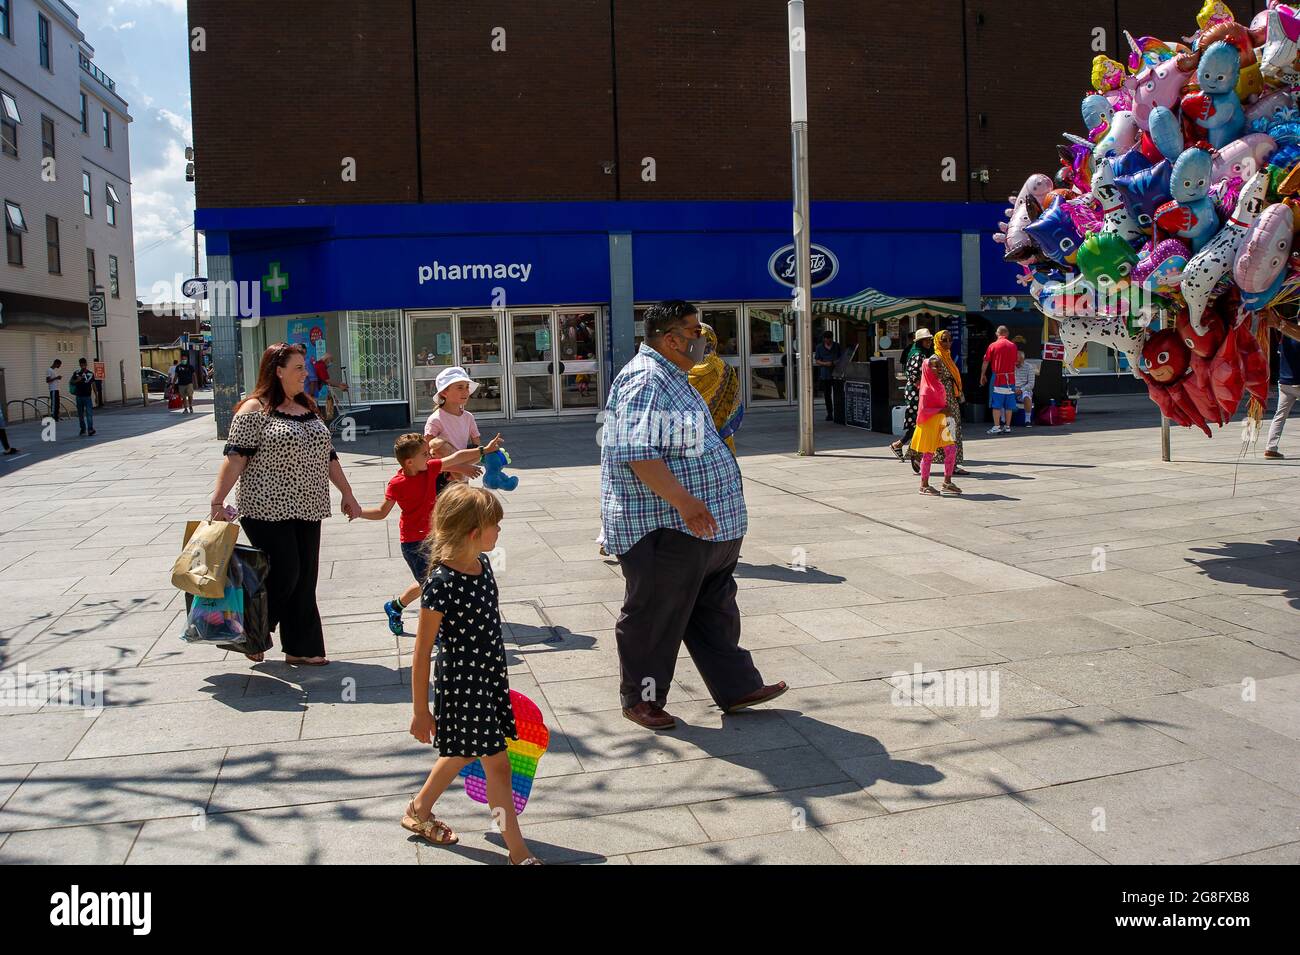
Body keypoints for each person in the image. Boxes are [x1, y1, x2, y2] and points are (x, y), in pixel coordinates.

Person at [601, 299, 786, 731]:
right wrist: (684, 501)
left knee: (713, 610)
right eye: (696, 331)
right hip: (663, 526)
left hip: (705, 528)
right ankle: (642, 699)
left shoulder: (673, 375)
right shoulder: (646, 380)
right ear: (672, 339)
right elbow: (635, 452)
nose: (702, 338)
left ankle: (736, 687)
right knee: (654, 616)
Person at [404, 483, 540, 864]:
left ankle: (418, 810)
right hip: (463, 685)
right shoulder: (441, 584)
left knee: (463, 752)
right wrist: (420, 710)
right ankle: (518, 852)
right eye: (495, 525)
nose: (500, 531)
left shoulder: (481, 565)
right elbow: (421, 652)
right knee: (497, 765)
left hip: (488, 678)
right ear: (473, 532)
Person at [209, 342, 362, 665]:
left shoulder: (307, 406)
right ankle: (252, 632)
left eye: (304, 368)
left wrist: (347, 494)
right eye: (298, 368)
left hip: (310, 506)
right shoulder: (254, 409)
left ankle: (302, 648)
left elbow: (329, 456)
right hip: (265, 508)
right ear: (277, 372)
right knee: (286, 573)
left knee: (306, 577)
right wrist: (217, 500)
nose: (305, 374)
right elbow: (236, 457)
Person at [360, 431, 503, 635]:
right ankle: (436, 633)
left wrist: (485, 450)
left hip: (436, 538)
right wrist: (358, 512)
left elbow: (456, 457)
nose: (430, 457)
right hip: (413, 544)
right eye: (425, 454)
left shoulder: (429, 469)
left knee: (432, 580)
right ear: (409, 462)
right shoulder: (397, 484)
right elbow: (382, 512)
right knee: (431, 585)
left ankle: (396, 607)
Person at [424, 366, 485, 494]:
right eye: (460, 387)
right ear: (444, 393)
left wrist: (488, 454)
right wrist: (460, 468)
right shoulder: (435, 419)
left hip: (463, 475)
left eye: (467, 387)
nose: (465, 391)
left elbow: (478, 448)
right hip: (442, 476)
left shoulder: (468, 417)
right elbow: (428, 457)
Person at [687, 323, 744, 454]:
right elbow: (733, 400)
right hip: (721, 438)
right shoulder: (725, 368)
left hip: (689, 437)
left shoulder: (681, 368)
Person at [911, 357, 962, 496]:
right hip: (929, 424)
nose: (939, 369)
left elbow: (941, 404)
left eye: (940, 366)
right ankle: (924, 485)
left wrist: (946, 413)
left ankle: (947, 482)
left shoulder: (939, 384)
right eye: (935, 366)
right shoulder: (926, 389)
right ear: (928, 369)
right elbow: (922, 411)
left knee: (951, 449)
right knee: (928, 454)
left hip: (942, 422)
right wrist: (941, 411)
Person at [891, 328, 934, 473]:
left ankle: (900, 445)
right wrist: (925, 391)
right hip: (917, 392)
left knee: (917, 423)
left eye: (930, 340)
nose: (929, 342)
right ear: (920, 341)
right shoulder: (918, 354)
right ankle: (913, 453)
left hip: (918, 391)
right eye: (926, 340)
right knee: (918, 422)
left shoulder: (922, 353)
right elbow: (915, 376)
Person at [932, 329, 970, 476]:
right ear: (937, 341)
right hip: (942, 400)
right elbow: (933, 382)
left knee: (953, 430)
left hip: (952, 399)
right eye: (944, 340)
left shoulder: (947, 357)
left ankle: (952, 464)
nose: (948, 342)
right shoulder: (936, 358)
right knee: (940, 430)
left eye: (950, 339)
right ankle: (920, 456)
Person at [1265, 311, 1300, 459]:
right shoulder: (1294, 333)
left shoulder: (1286, 334)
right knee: (1280, 415)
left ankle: (1270, 447)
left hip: (1284, 382)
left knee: (1279, 415)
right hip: (1297, 381)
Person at [981, 325, 1020, 433]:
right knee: (1009, 405)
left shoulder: (993, 345)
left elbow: (986, 361)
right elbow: (1016, 361)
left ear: (997, 334)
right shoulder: (1013, 346)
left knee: (996, 404)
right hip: (1011, 378)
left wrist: (982, 375)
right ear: (1007, 334)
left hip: (998, 378)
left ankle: (997, 426)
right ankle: (1007, 427)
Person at [813, 330, 844, 422]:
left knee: (838, 393)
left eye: (829, 340)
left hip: (836, 373)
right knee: (827, 394)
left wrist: (835, 362)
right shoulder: (819, 347)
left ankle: (839, 413)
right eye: (826, 339)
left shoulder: (836, 346)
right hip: (825, 373)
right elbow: (817, 360)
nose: (828, 341)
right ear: (823, 339)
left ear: (832, 338)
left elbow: (841, 358)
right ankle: (829, 413)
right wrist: (825, 363)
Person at [69, 359, 97, 436]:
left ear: (86, 364)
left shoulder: (90, 374)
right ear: (80, 364)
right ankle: (83, 429)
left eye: (83, 364)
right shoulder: (76, 373)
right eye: (81, 364)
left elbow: (93, 385)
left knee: (88, 414)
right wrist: (77, 380)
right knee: (81, 414)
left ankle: (89, 429)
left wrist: (96, 396)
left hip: (87, 396)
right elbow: (71, 382)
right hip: (79, 396)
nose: (83, 365)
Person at [1014, 349, 1038, 429]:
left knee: (1026, 395)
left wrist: (1021, 390)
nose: (1015, 361)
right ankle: (1003, 420)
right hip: (1012, 388)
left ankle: (1027, 420)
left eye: (1017, 359)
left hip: (1024, 389)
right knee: (1002, 394)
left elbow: (1031, 384)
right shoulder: (1010, 366)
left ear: (1022, 359)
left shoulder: (1029, 367)